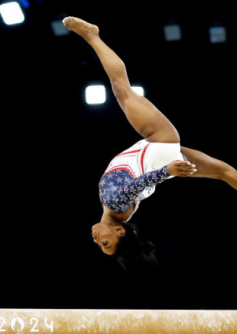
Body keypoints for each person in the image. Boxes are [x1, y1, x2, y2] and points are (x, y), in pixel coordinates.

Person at [63, 16, 237, 267]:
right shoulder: (116, 205)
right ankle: (92, 35)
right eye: (106, 243)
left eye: (100, 245)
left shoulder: (119, 210)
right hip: (159, 142)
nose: (97, 240)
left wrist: (166, 171)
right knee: (121, 88)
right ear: (120, 232)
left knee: (223, 171)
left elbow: (138, 186)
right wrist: (166, 170)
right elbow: (134, 186)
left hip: (164, 158)